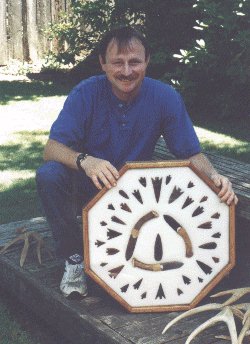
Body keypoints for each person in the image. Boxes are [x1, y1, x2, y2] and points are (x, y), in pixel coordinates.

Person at [36, 26, 238, 298]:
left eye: (135, 62)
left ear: (147, 62)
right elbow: (51, 148)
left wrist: (214, 177)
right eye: (118, 62)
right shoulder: (85, 93)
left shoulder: (165, 97)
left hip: (137, 195)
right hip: (87, 184)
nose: (127, 71)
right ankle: (73, 258)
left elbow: (190, 154)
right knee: (49, 174)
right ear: (103, 64)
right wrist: (86, 161)